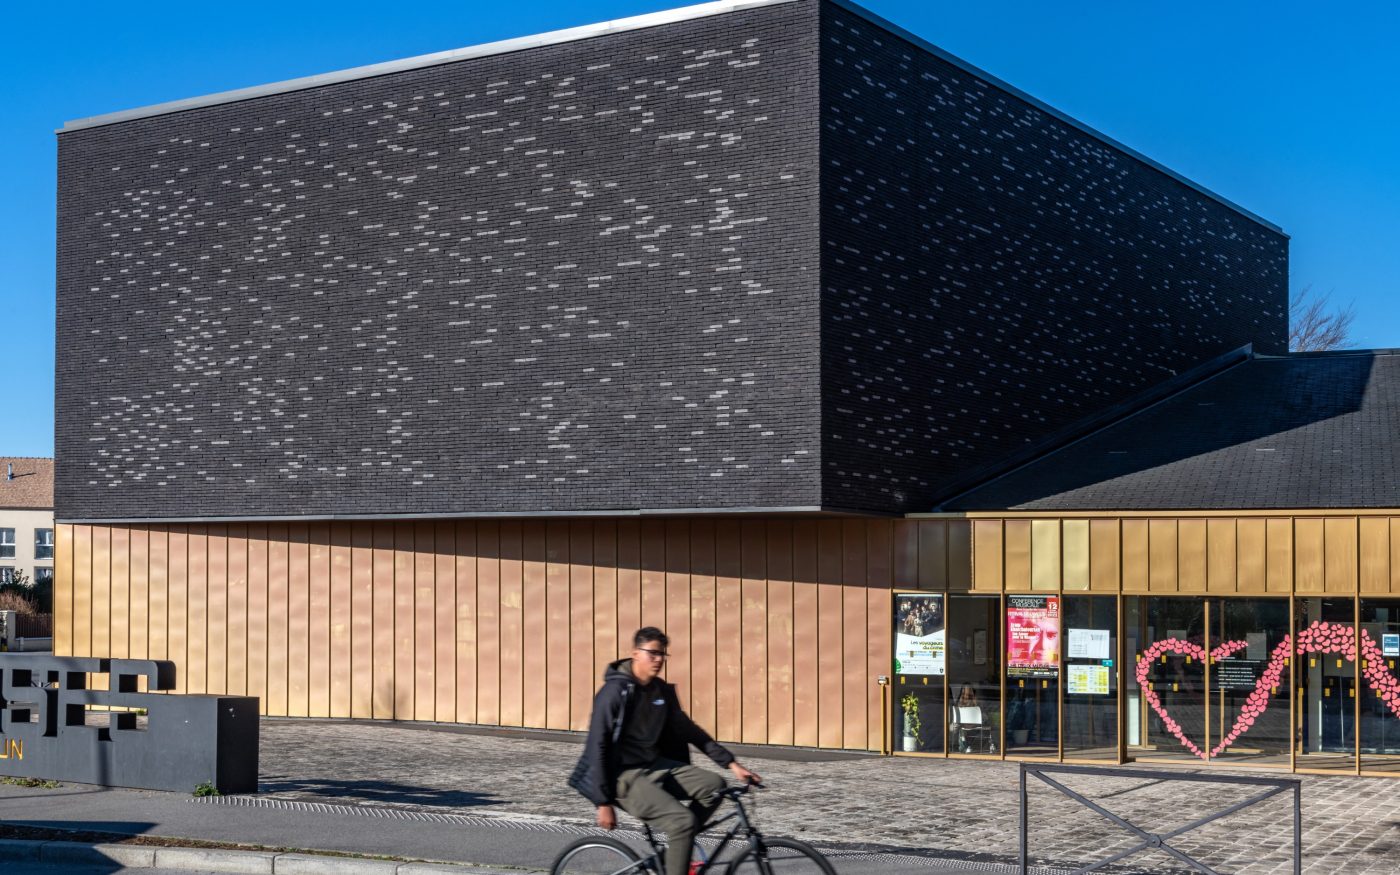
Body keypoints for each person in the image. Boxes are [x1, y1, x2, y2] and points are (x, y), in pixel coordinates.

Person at [568, 627, 761, 875]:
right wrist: (602, 801)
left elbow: (689, 730)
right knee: (682, 821)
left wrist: (732, 763)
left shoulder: (659, 690)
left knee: (715, 786)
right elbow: (597, 744)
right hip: (623, 777)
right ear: (635, 653)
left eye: (662, 655)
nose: (659, 659)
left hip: (654, 765)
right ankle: (679, 846)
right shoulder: (614, 692)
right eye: (653, 654)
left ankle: (675, 852)